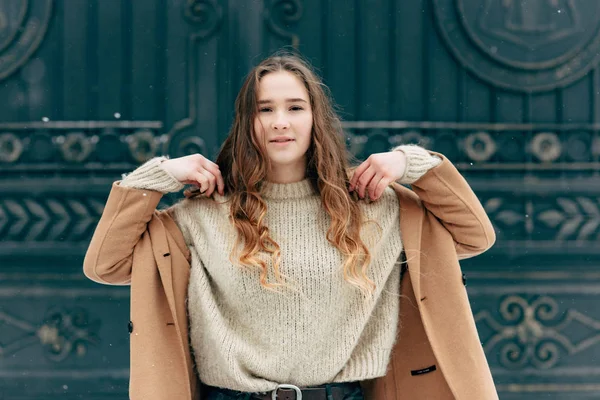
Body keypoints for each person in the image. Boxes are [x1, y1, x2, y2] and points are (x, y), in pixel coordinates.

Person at [83, 52, 498, 400]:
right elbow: (106, 264)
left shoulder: (375, 205)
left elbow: (473, 235)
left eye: (295, 107)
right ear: (247, 123)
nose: (281, 121)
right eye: (265, 109)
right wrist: (160, 175)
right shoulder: (201, 214)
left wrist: (413, 163)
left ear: (316, 118)